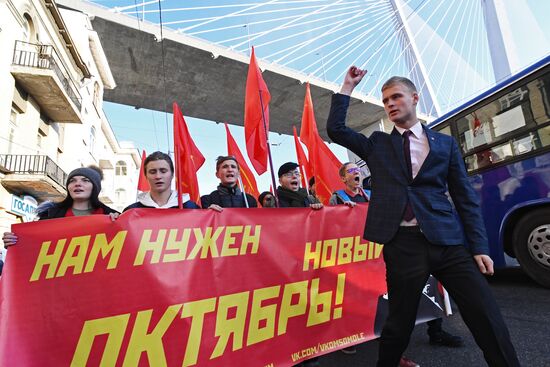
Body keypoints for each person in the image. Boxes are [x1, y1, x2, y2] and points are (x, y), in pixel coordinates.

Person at [327, 67, 520, 367]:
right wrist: (347, 87)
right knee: (399, 323)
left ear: (415, 98)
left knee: (485, 315)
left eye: (396, 97)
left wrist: (479, 246)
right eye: (385, 100)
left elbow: (464, 197)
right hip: (402, 246)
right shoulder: (377, 143)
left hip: (449, 243)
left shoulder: (445, 145)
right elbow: (336, 129)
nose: (390, 104)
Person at [2, 167, 119, 248]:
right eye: (72, 181)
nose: (77, 184)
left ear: (95, 187)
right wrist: (14, 241)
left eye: (85, 180)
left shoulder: (111, 215)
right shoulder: (50, 215)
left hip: (96, 281)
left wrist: (119, 224)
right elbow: (34, 246)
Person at [124, 151, 199, 210]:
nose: (158, 176)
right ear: (146, 176)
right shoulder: (132, 211)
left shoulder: (191, 208)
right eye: (152, 172)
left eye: (163, 171)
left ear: (172, 174)